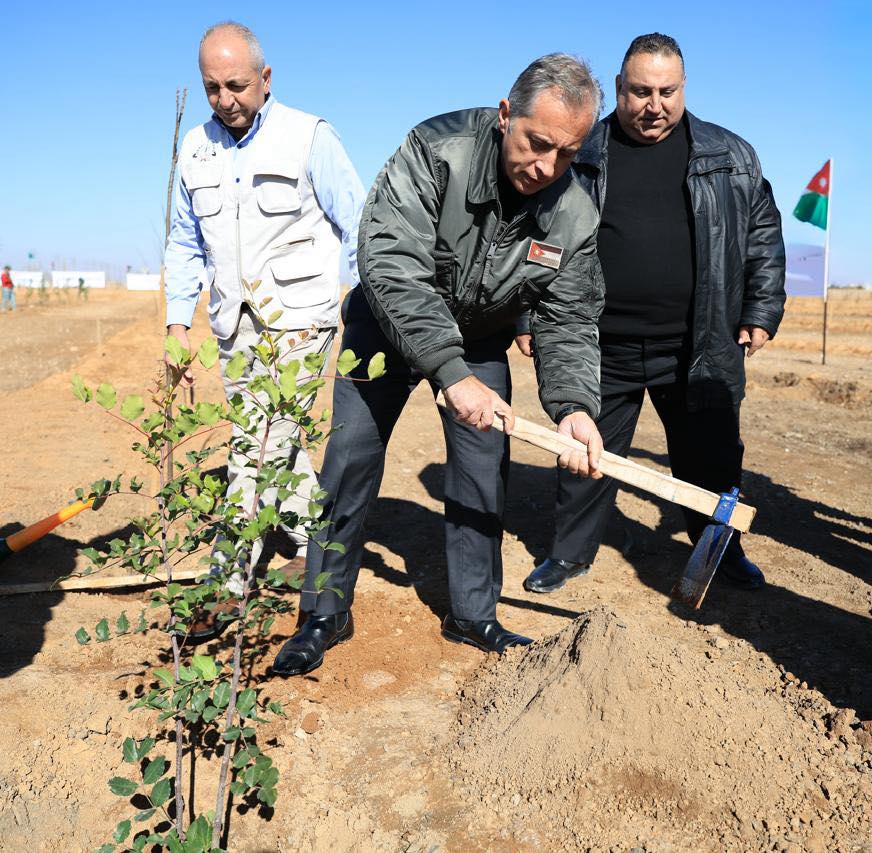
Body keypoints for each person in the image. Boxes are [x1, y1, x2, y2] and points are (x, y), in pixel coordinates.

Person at [272, 53, 606, 677]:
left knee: (484, 471)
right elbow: (391, 263)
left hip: (481, 337)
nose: (546, 167)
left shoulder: (574, 212)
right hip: (386, 323)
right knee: (350, 459)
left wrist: (576, 408)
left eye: (566, 153)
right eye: (537, 144)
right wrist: (452, 375)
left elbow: (569, 319)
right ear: (507, 115)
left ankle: (473, 613)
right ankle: (323, 612)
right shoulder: (436, 151)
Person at [522, 33, 785, 595]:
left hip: (696, 343)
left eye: (667, 91)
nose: (654, 104)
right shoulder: (581, 153)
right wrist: (525, 314)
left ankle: (723, 551)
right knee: (585, 453)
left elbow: (762, 229)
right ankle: (568, 554)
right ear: (618, 89)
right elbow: (535, 234)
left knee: (711, 458)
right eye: (641, 90)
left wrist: (762, 306)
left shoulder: (730, 156)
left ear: (683, 88)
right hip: (601, 342)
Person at [163, 21, 366, 639]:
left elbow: (359, 223)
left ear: (266, 78)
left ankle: (227, 579)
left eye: (237, 85)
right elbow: (183, 240)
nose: (226, 100)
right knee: (270, 434)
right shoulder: (194, 150)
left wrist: (358, 304)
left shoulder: (310, 137)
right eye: (212, 88)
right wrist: (178, 322)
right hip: (233, 323)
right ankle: (309, 537)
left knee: (257, 440)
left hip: (301, 322)